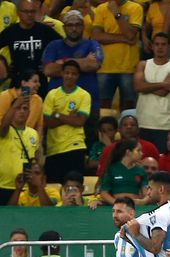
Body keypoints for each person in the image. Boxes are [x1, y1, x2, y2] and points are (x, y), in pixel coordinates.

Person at [42, 10, 103, 150]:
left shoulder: (93, 44)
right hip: (57, 105)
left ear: (83, 26)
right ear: (64, 27)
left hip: (89, 105)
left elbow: (94, 64)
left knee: (88, 148)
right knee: (56, 147)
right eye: (70, 25)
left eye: (77, 25)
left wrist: (62, 63)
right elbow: (48, 70)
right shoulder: (54, 45)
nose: (74, 28)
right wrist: (83, 62)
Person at [0, 0, 61, 86]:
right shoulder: (10, 31)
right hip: (17, 81)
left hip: (39, 81)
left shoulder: (44, 30)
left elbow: (63, 47)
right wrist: (3, 65)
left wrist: (52, 64)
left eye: (32, 11)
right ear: (18, 13)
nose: (29, 15)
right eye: (26, 11)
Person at [43, 60, 91, 183]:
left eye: (73, 74)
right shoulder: (52, 94)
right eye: (67, 73)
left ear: (78, 76)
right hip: (54, 149)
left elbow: (80, 121)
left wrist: (58, 114)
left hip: (75, 147)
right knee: (53, 188)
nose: (70, 76)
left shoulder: (84, 95)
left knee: (74, 186)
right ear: (62, 73)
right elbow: (48, 123)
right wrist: (70, 117)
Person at [92, 0, 142, 111]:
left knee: (128, 108)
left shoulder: (135, 8)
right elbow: (96, 36)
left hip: (128, 68)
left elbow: (130, 35)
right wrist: (123, 38)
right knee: (102, 108)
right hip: (105, 67)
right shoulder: (101, 8)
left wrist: (116, 13)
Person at [134, 32, 170, 153]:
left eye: (163, 44)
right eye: (157, 44)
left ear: (169, 47)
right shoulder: (143, 64)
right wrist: (163, 84)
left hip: (164, 124)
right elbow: (138, 86)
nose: (160, 47)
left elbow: (165, 92)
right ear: (152, 46)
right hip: (143, 122)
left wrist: (146, 86)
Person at [0, 99, 40, 206]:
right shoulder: (4, 130)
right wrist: (14, 105)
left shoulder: (34, 133)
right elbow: (4, 124)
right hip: (5, 186)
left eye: (25, 109)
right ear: (12, 111)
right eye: (18, 108)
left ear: (29, 113)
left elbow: (36, 159)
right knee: (4, 221)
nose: (21, 111)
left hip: (27, 187)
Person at [0, 69, 44, 139]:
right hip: (5, 139)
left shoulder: (38, 100)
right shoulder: (5, 96)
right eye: (35, 81)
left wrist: (38, 144)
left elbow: (39, 126)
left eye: (38, 82)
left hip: (27, 141)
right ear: (23, 83)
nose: (39, 85)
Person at [98, 139, 149, 205]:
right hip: (116, 208)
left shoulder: (141, 171)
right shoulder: (112, 169)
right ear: (128, 152)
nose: (142, 153)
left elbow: (146, 194)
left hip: (135, 207)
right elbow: (104, 192)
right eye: (138, 150)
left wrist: (142, 202)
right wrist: (116, 203)